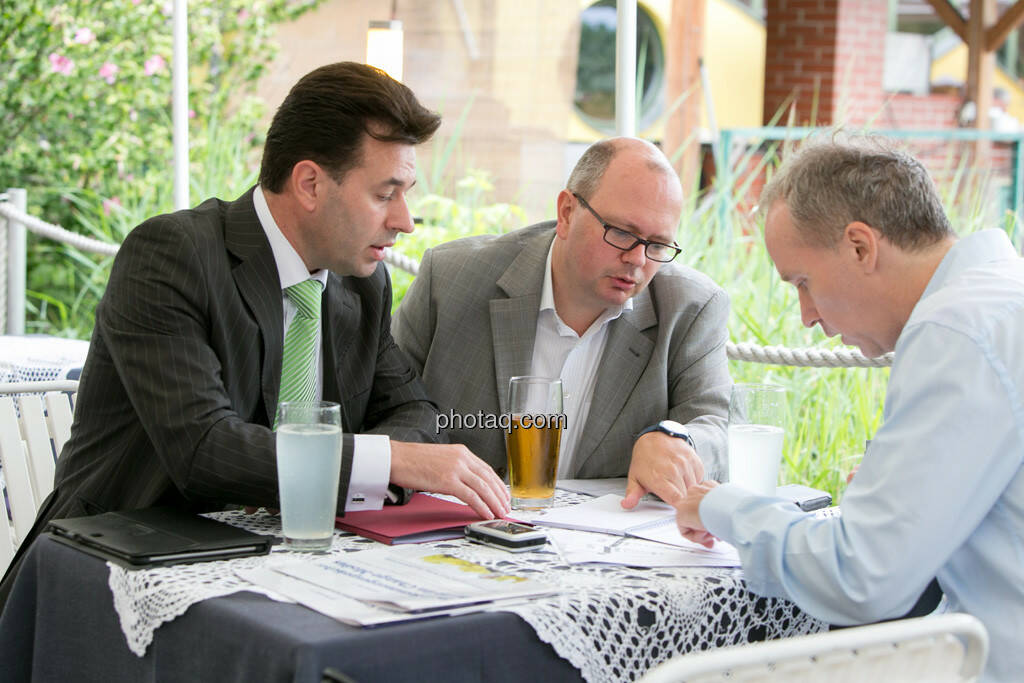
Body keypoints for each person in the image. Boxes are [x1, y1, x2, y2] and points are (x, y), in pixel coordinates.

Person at [0, 62, 509, 608]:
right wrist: (392, 462)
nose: (406, 221)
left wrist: (391, 457)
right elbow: (204, 449)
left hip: (278, 569)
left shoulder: (361, 286)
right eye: (386, 194)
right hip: (112, 571)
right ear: (310, 183)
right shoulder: (173, 256)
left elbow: (418, 416)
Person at [675, 138, 1024, 682]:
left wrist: (723, 507)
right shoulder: (1001, 297)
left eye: (803, 283)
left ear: (860, 247)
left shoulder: (955, 329)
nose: (805, 317)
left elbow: (864, 576)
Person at [393, 138, 731, 508]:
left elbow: (719, 429)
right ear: (567, 212)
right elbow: (382, 411)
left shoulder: (689, 307)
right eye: (621, 233)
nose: (637, 259)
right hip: (450, 536)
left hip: (600, 551)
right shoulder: (451, 280)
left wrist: (674, 439)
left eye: (658, 245)